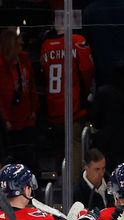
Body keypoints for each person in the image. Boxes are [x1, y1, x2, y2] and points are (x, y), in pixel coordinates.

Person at [39, 25, 94, 173]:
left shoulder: (45, 45)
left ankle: (61, 180)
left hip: (53, 105)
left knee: (60, 146)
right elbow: (87, 70)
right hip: (73, 106)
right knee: (75, 145)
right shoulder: (77, 41)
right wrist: (87, 92)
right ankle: (73, 186)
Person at [0, 28, 39, 172]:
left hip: (25, 117)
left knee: (28, 155)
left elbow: (32, 85)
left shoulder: (24, 59)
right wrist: (5, 119)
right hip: (8, 121)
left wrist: (34, 108)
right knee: (12, 156)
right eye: (18, 43)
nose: (22, 44)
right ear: (10, 44)